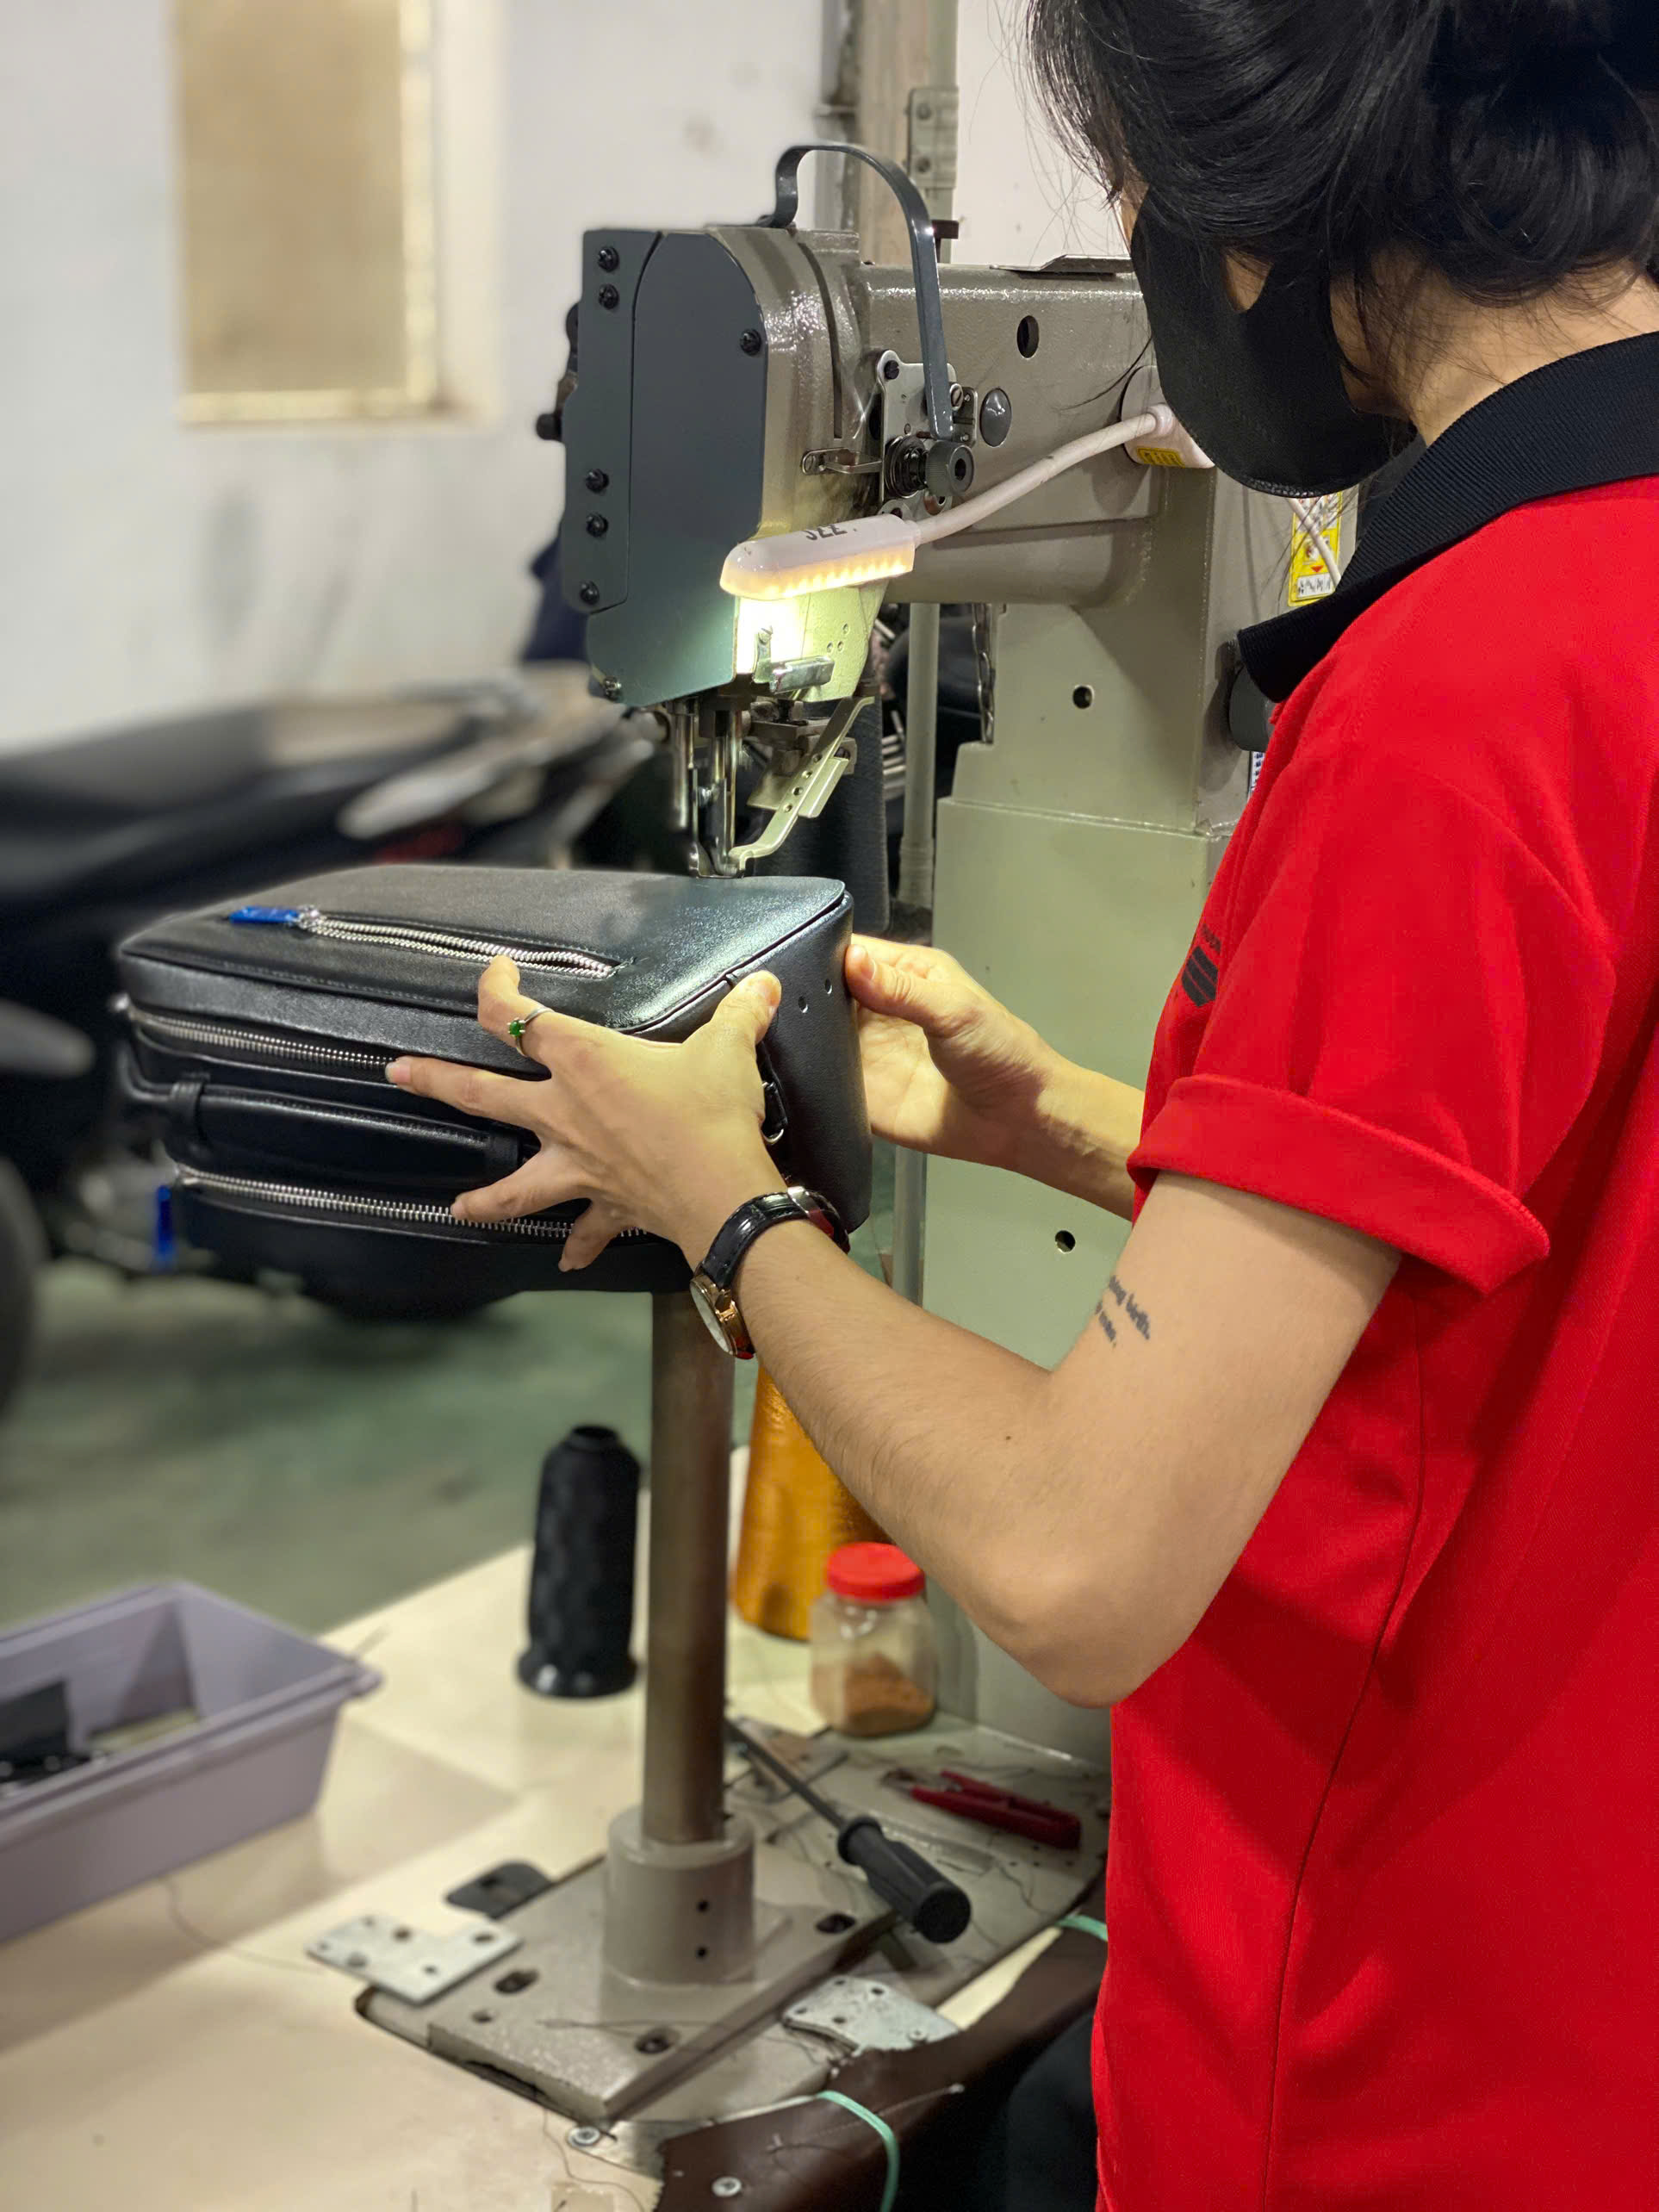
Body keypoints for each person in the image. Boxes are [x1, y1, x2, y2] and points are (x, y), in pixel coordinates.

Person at [383, 2, 1659, 2203]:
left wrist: (722, 1206)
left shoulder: (1455, 695)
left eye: (1138, 192)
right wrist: (1074, 1119)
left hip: (1375, 2072)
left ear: (1263, 199)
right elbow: (1540, 1229)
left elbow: (1077, 1566)